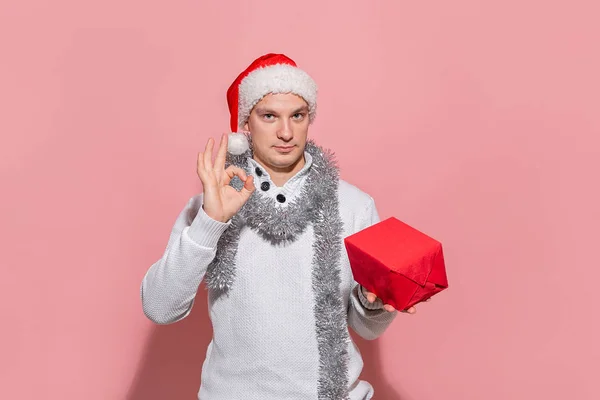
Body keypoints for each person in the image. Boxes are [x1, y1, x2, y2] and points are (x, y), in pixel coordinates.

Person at [140, 53, 419, 400]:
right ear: (246, 123)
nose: (286, 132)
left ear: (309, 118)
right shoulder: (210, 204)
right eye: (269, 116)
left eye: (297, 116)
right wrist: (211, 221)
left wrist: (372, 301)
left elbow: (366, 327)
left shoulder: (355, 206)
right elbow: (159, 307)